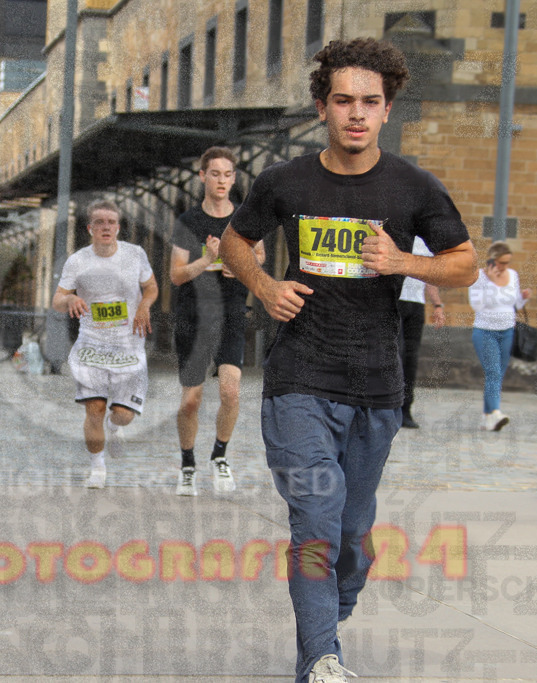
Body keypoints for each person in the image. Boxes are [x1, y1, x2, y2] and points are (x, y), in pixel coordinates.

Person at [218, 38, 476, 683]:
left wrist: (403, 262)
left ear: (387, 110)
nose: (356, 113)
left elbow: (465, 264)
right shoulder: (286, 181)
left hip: (377, 389)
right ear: (321, 108)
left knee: (352, 543)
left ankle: (329, 616)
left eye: (370, 102)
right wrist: (265, 286)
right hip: (298, 381)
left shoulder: (414, 186)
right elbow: (234, 241)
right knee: (314, 523)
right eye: (343, 101)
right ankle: (322, 659)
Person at [170, 146, 265, 496]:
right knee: (190, 401)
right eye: (215, 174)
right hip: (194, 318)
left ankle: (220, 456)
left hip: (231, 314)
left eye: (228, 174)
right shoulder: (188, 222)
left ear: (234, 177)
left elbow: (259, 257)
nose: (222, 180)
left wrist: (239, 265)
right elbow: (177, 275)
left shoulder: (245, 218)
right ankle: (187, 464)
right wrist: (208, 259)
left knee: (230, 391)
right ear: (202, 176)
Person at [52, 199, 158, 488]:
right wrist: (71, 298)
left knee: (122, 415)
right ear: (90, 228)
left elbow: (151, 287)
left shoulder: (135, 255)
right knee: (94, 408)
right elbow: (57, 300)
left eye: (111, 222)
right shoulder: (78, 261)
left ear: (118, 227)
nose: (106, 227)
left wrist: (144, 306)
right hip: (93, 343)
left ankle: (114, 427)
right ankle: (97, 466)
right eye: (100, 222)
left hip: (129, 345)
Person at [467, 241, 532, 431]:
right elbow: (476, 305)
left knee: (497, 375)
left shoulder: (513, 276)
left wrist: (524, 297)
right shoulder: (479, 277)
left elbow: (515, 305)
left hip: (507, 330)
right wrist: (491, 284)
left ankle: (487, 418)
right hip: (485, 331)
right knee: (494, 372)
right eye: (502, 262)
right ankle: (495, 412)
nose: (504, 267)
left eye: (507, 262)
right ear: (492, 260)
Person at [397, 237, 446, 429]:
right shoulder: (399, 234)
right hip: (396, 301)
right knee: (396, 354)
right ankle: (390, 406)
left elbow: (430, 278)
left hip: (416, 304)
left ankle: (406, 408)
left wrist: (437, 305)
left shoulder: (426, 242)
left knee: (411, 358)